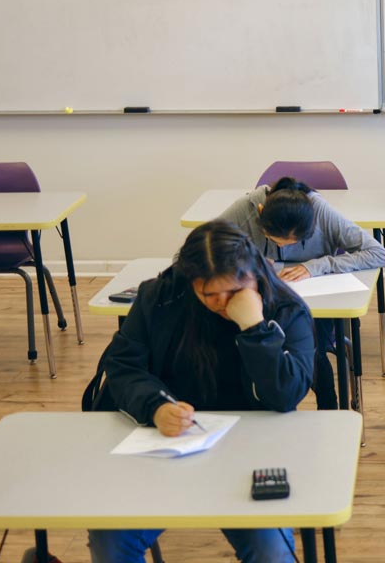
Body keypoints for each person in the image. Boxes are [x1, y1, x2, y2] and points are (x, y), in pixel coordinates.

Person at [83, 220, 313, 563]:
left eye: (235, 292)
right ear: (192, 283)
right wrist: (156, 407)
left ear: (253, 275)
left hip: (250, 454)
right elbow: (123, 366)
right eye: (210, 294)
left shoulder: (284, 309)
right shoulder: (158, 298)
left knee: (272, 552)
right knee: (111, 542)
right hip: (164, 445)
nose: (223, 304)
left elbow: (286, 394)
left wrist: (255, 328)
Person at [218, 176, 385, 409]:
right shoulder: (247, 208)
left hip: (314, 302)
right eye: (274, 240)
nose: (284, 248)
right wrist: (250, 266)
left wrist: (317, 265)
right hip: (261, 298)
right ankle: (261, 409)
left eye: (293, 242)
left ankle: (329, 408)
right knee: (249, 346)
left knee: (312, 350)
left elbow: (379, 254)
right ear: (261, 212)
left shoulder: (319, 210)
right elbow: (202, 251)